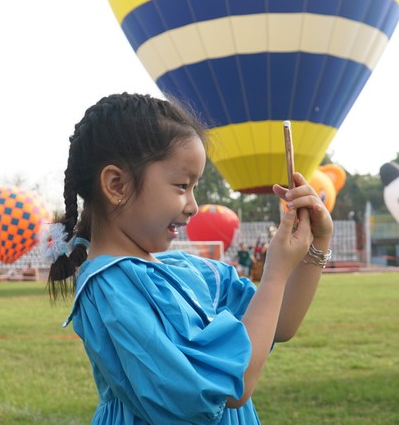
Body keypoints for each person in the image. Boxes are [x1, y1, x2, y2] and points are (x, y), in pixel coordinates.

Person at [48, 93, 333, 423]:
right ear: (116, 185)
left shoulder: (189, 270)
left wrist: (317, 242)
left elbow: (278, 324)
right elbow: (225, 391)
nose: (193, 206)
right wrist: (275, 274)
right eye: (182, 185)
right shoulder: (111, 286)